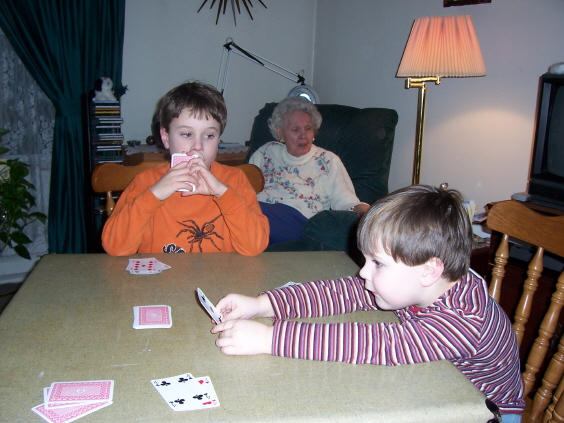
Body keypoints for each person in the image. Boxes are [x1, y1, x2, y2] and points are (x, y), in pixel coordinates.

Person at [211, 185, 525, 422]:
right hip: (436, 380)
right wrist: (263, 304)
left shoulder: (464, 320)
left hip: (486, 411)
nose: (363, 271)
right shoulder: (416, 283)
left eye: (378, 263)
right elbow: (341, 292)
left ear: (430, 271)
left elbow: (379, 344)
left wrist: (270, 338)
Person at [102, 82, 269, 257]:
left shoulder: (236, 180)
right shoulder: (145, 183)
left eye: (209, 135)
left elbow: (254, 247)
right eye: (186, 134)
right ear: (165, 137)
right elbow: (115, 247)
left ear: (219, 139)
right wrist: (154, 194)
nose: (197, 146)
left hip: (220, 281)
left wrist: (222, 192)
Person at [248, 96, 369, 245]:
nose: (303, 136)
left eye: (308, 128)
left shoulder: (328, 160)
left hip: (300, 223)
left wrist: (358, 208)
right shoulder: (265, 152)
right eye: (295, 129)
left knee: (247, 213)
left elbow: (344, 198)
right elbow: (245, 188)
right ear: (280, 133)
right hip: (259, 216)